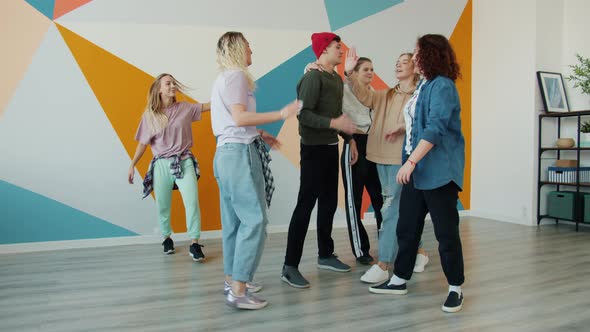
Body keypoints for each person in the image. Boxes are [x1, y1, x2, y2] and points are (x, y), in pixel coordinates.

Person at [373, 34, 466, 313]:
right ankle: (400, 278)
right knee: (407, 227)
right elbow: (421, 120)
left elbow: (436, 128)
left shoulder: (443, 86)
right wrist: (403, 130)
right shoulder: (424, 85)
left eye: (417, 52)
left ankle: (455, 288)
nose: (413, 58)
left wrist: (410, 162)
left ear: (430, 55)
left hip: (438, 173)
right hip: (418, 171)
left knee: (445, 233)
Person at [211, 31, 301, 310]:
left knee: (235, 223)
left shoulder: (223, 79)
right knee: (255, 221)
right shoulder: (236, 77)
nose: (252, 50)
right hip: (238, 155)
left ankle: (232, 280)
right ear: (238, 49)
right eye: (249, 46)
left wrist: (261, 133)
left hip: (225, 155)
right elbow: (238, 118)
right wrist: (280, 115)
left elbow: (230, 120)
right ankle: (239, 290)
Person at [342, 50, 430, 286]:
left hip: (401, 160)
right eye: (397, 62)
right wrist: (350, 72)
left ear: (415, 68)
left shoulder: (421, 94)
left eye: (404, 63)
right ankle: (420, 252)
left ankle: (383, 264)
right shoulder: (385, 95)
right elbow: (363, 96)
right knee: (398, 209)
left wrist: (402, 127)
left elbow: (423, 122)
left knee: (390, 210)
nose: (399, 66)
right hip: (379, 157)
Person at [281, 32, 357, 289]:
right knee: (305, 205)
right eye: (337, 46)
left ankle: (325, 255)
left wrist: (350, 139)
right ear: (324, 50)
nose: (341, 50)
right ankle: (289, 266)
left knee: (328, 203)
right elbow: (303, 117)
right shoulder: (312, 77)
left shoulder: (334, 78)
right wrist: (333, 123)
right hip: (312, 150)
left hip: (330, 147)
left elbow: (336, 114)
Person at [128, 73, 209, 261]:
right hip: (161, 164)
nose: (173, 85)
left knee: (192, 202)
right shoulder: (150, 116)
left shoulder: (185, 108)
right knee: (163, 205)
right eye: (168, 83)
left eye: (174, 83)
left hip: (184, 160)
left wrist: (227, 97)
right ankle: (167, 238)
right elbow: (142, 143)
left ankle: (194, 243)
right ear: (159, 89)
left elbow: (207, 106)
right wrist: (132, 164)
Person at [340, 56, 383, 265]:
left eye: (372, 69)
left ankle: (386, 244)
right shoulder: (343, 89)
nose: (370, 72)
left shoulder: (373, 94)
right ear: (353, 73)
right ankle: (361, 250)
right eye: (365, 69)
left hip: (374, 145)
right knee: (354, 201)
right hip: (354, 144)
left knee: (380, 199)